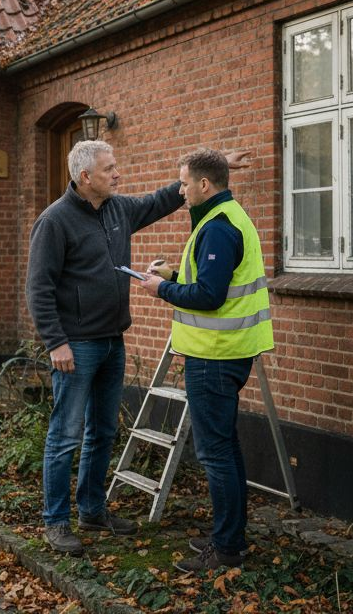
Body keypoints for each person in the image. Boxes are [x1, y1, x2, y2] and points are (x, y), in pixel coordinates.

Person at [27, 139, 248, 556]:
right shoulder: (54, 221)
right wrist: (56, 342)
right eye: (109, 168)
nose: (117, 174)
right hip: (75, 346)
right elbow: (38, 288)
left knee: (103, 432)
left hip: (113, 341)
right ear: (85, 176)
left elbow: (163, 199)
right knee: (65, 436)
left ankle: (92, 510)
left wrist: (217, 164)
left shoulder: (118, 210)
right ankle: (55, 522)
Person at [136, 147, 272, 572]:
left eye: (184, 184)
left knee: (215, 453)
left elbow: (210, 297)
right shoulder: (226, 217)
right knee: (225, 448)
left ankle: (227, 548)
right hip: (226, 352)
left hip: (214, 356)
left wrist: (160, 290)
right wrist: (173, 277)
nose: (180, 191)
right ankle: (229, 538)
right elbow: (211, 283)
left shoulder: (217, 227)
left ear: (204, 184)